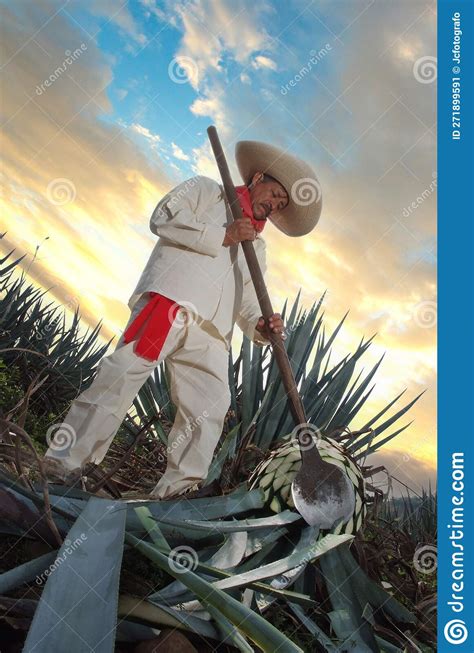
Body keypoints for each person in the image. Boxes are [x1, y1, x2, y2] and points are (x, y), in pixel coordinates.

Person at [42, 140, 322, 499]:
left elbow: (250, 300)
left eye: (281, 204)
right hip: (170, 305)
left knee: (210, 408)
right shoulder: (206, 191)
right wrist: (223, 235)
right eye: (275, 193)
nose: (274, 204)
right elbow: (163, 217)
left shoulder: (258, 248)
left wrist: (261, 326)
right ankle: (64, 464)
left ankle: (176, 493)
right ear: (256, 178)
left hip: (213, 334)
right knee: (121, 377)